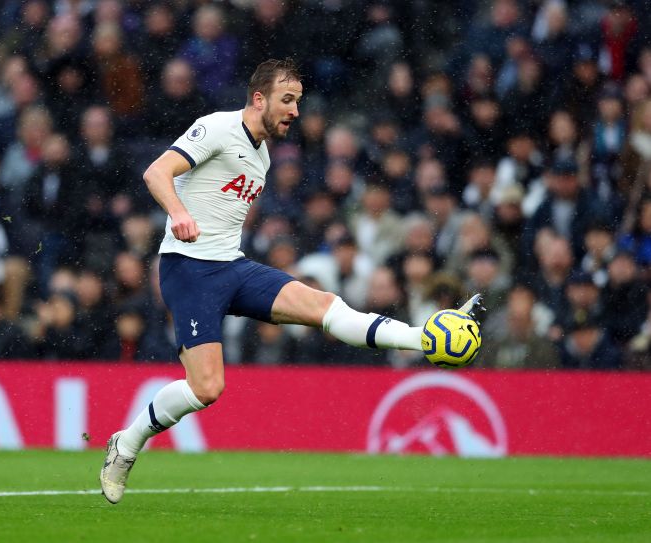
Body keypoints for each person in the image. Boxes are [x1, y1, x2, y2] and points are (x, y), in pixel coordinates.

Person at [99, 58, 485, 504]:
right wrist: (179, 213)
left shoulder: (261, 155)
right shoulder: (217, 128)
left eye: (298, 102)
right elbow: (156, 172)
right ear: (258, 98)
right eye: (287, 100)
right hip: (189, 269)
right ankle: (126, 443)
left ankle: (427, 338)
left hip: (231, 266)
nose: (295, 111)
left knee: (326, 307)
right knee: (207, 388)